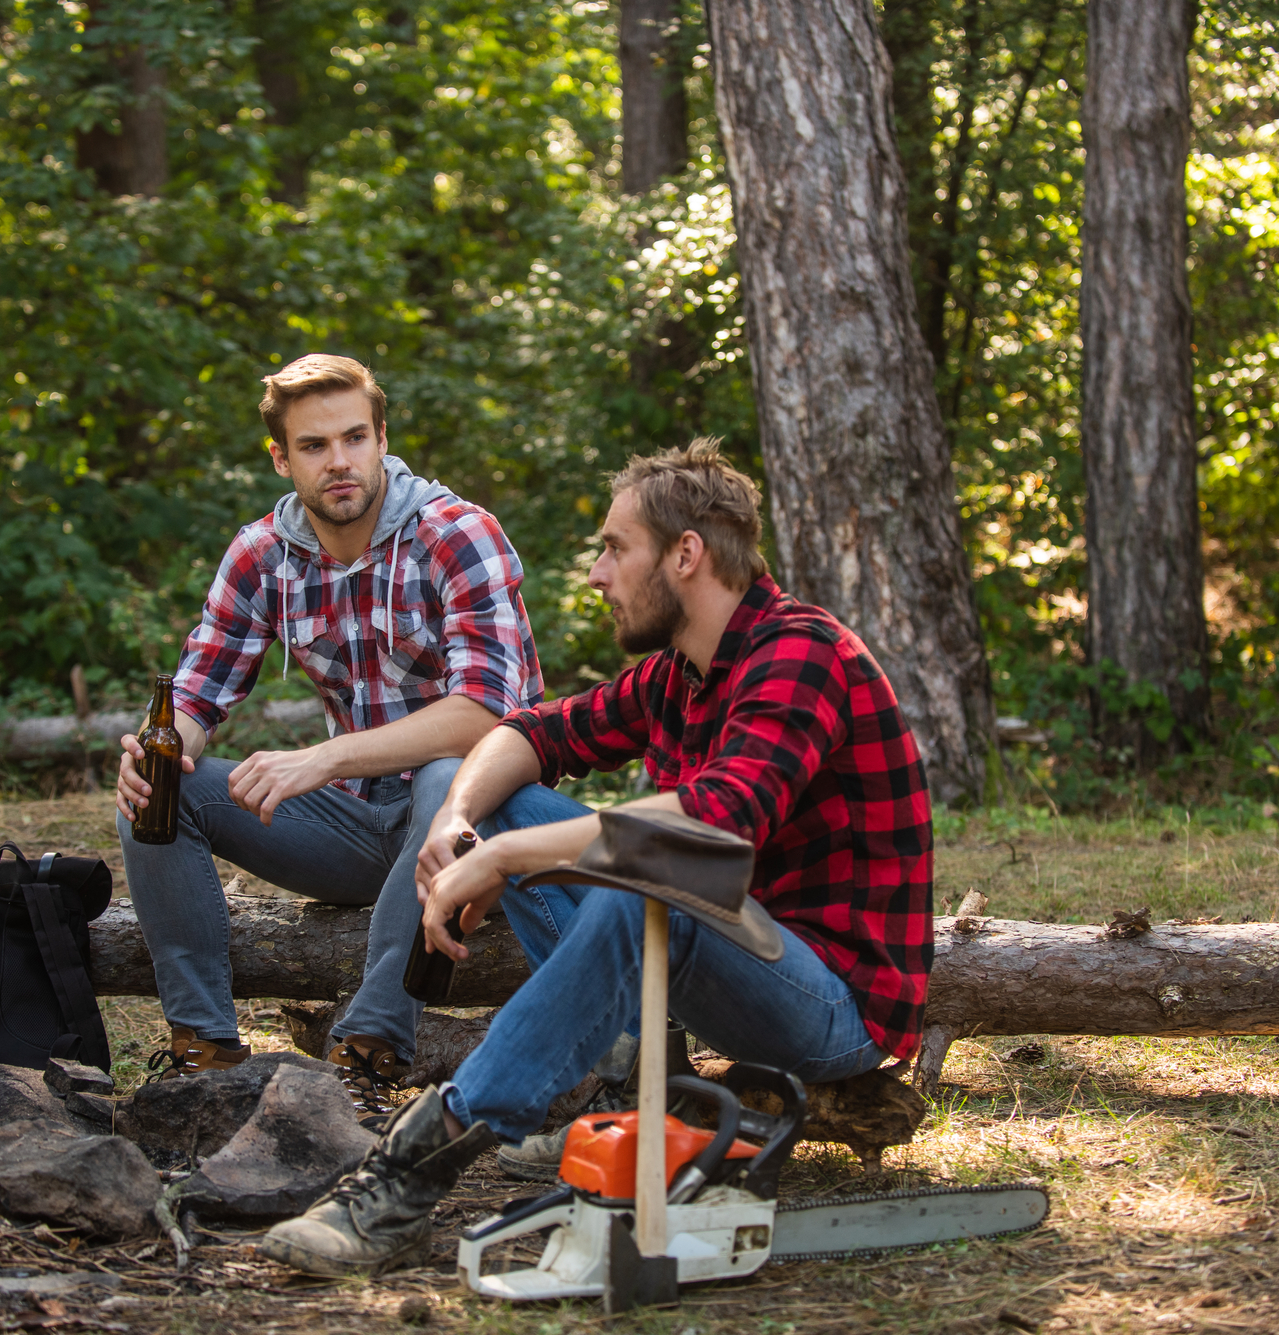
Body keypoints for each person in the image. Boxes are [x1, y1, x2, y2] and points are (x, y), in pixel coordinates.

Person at [258, 438, 935, 1276]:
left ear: (686, 554)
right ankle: (633, 1091)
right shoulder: (677, 675)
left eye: (616, 548)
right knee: (521, 800)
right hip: (733, 954)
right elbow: (530, 731)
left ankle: (409, 1174)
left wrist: (506, 858)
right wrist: (460, 821)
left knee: (647, 884)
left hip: (830, 1006)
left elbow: (713, 826)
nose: (596, 573)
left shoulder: (800, 654)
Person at [115, 354, 543, 1111]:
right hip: (353, 828)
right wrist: (166, 745)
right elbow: (198, 692)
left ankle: (369, 1057)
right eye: (314, 446)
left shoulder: (456, 534)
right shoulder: (262, 555)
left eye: (354, 438)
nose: (338, 461)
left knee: (449, 776)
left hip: (476, 833)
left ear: (382, 438)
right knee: (160, 788)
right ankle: (204, 1054)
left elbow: (487, 712)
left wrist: (324, 755)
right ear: (281, 457)